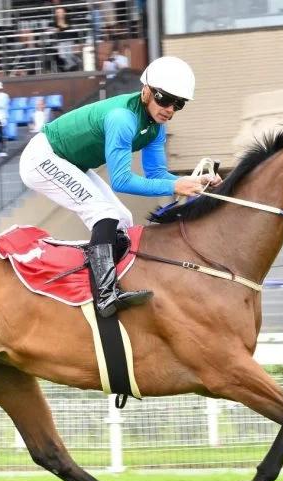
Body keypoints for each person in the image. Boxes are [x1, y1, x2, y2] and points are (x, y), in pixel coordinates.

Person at [18, 56, 215, 318]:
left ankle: (114, 282)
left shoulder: (156, 128)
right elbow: (121, 180)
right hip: (42, 158)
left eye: (178, 104)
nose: (169, 109)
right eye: (164, 99)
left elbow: (157, 174)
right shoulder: (122, 118)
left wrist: (194, 182)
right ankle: (104, 295)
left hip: (71, 162)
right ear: (146, 91)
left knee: (123, 218)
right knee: (104, 214)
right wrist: (176, 186)